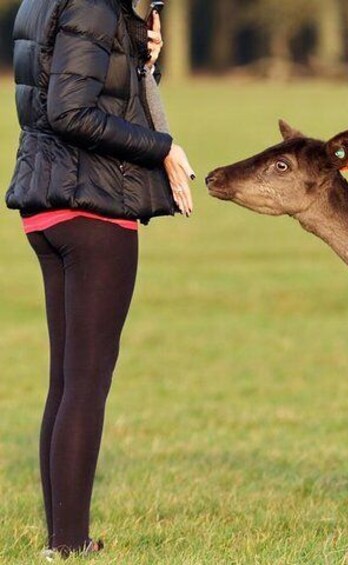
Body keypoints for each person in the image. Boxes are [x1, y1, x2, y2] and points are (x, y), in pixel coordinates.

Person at [5, 0, 196, 558]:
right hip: (92, 208)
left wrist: (142, 56)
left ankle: (62, 539)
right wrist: (163, 148)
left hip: (48, 205)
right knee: (86, 384)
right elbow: (71, 110)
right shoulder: (92, 5)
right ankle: (68, 545)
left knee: (66, 383)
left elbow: (71, 85)